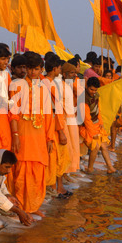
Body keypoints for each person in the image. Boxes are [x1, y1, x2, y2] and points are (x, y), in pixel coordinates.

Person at [9, 51, 55, 217]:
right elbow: (13, 113)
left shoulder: (44, 88)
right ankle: (21, 207)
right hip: (23, 134)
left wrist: (50, 138)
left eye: (36, 69)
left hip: (39, 136)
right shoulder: (17, 86)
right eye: (30, 69)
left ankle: (34, 206)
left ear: (41, 69)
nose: (33, 72)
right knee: (21, 173)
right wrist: (15, 135)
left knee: (37, 172)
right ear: (26, 69)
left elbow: (49, 115)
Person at [43, 56, 72, 198]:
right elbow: (53, 111)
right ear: (55, 69)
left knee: (58, 158)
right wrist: (60, 131)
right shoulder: (48, 84)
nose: (60, 70)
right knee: (56, 159)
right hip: (54, 127)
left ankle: (58, 187)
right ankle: (56, 188)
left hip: (56, 124)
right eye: (60, 68)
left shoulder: (47, 83)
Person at [79, 77, 117, 174]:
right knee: (95, 147)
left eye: (95, 90)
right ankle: (90, 168)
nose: (93, 92)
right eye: (91, 89)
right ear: (87, 87)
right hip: (86, 126)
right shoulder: (83, 99)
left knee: (104, 146)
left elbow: (98, 110)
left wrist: (101, 123)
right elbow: (86, 118)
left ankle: (110, 168)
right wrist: (92, 133)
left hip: (96, 125)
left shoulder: (96, 95)